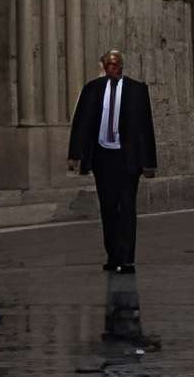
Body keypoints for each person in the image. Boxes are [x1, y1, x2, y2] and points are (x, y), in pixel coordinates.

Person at [68, 48, 158, 272]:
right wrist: (75, 154)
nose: (112, 68)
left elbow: (145, 128)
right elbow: (81, 123)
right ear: (103, 66)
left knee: (126, 206)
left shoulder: (137, 90)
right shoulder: (92, 90)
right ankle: (113, 255)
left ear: (122, 66)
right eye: (108, 64)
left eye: (116, 64)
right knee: (108, 207)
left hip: (127, 158)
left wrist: (148, 162)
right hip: (103, 156)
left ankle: (127, 257)